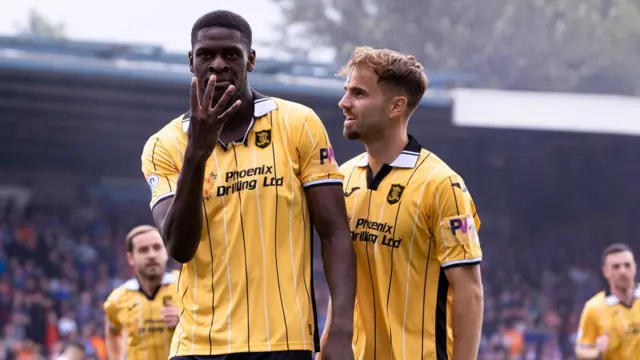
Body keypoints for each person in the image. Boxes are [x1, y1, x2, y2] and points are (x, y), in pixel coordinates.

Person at [140, 10, 356, 360]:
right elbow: (180, 248)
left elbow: (334, 233)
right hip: (197, 345)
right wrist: (196, 153)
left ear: (250, 59)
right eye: (206, 55)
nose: (218, 64)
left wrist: (343, 330)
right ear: (190, 61)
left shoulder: (297, 123)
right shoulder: (164, 146)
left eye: (232, 54)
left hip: (284, 342)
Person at [320, 46, 484, 360]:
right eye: (346, 92)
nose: (344, 103)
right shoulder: (341, 179)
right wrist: (328, 342)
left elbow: (470, 293)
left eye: (358, 93)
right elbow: (342, 281)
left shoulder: (441, 185)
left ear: (396, 106)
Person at [104, 225, 180, 360]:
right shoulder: (117, 299)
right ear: (130, 258)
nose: (152, 255)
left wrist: (185, 320)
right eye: (143, 250)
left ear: (166, 252)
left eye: (157, 247)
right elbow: (112, 331)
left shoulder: (186, 285)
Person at [575, 243, 639, 359]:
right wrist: (596, 352)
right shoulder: (594, 308)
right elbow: (581, 349)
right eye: (616, 267)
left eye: (627, 265)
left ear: (635, 267)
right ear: (605, 272)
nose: (623, 271)